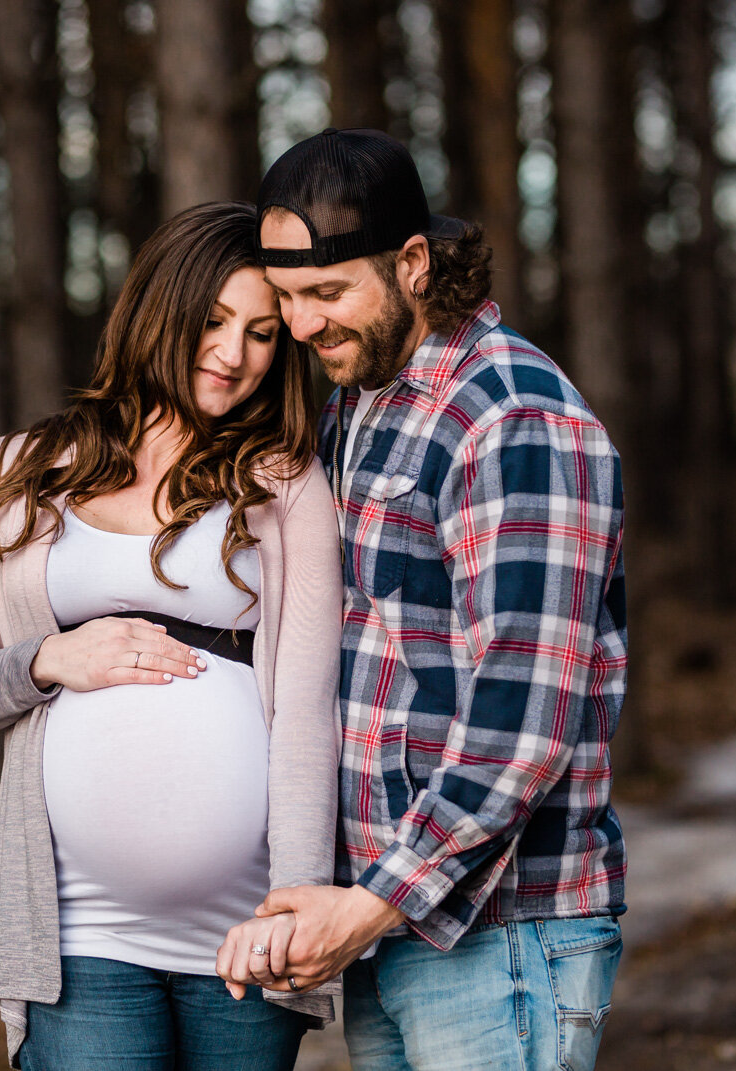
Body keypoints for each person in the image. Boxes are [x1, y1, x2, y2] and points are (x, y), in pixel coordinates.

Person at [217, 129, 628, 1071]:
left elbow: (524, 717)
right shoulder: (365, 400)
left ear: (412, 263)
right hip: (397, 927)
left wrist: (368, 905)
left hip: (500, 933)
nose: (304, 325)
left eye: (327, 292)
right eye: (286, 299)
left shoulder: (510, 415)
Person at [0, 201, 343, 1070]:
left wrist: (292, 911)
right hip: (81, 936)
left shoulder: (282, 482)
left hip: (243, 935)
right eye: (215, 321)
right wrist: (45, 658)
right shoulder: (14, 473)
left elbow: (305, 711)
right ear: (159, 308)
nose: (235, 354)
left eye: (264, 333)